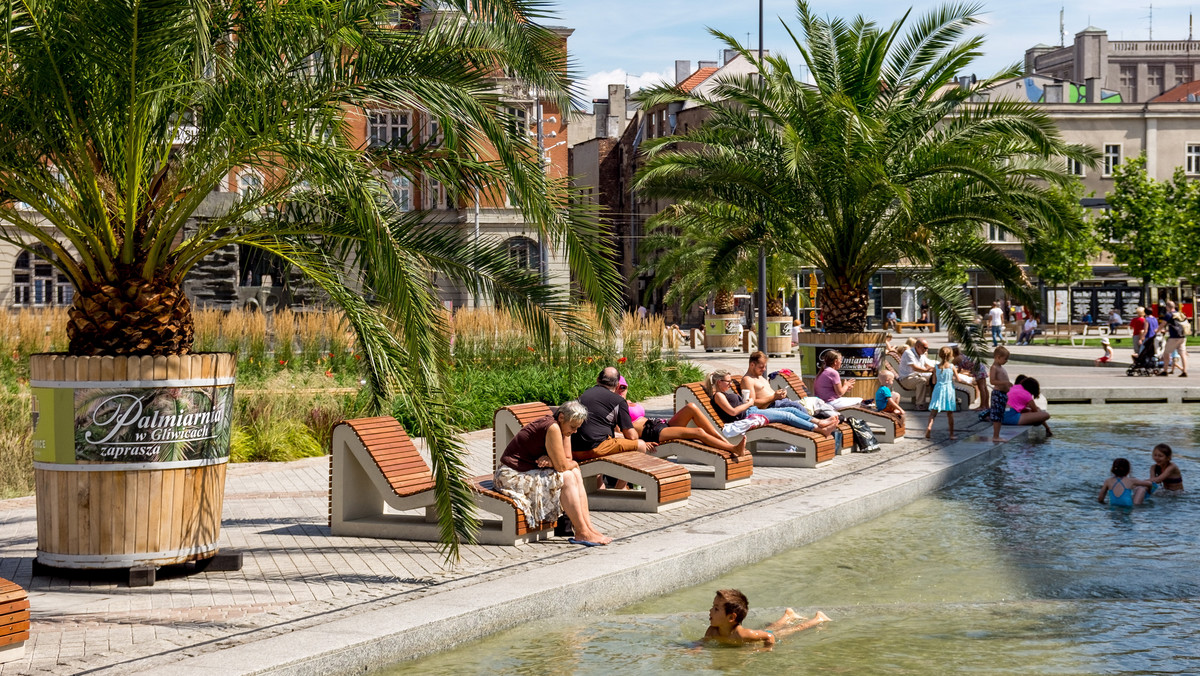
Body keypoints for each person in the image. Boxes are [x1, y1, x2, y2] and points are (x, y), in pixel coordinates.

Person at [495, 400, 612, 545]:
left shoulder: (563, 428)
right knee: (568, 475)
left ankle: (588, 528)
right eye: (573, 427)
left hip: (528, 470)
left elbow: (566, 459)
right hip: (510, 475)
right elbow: (563, 466)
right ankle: (582, 532)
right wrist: (563, 462)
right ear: (562, 417)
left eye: (577, 428)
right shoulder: (553, 427)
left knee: (574, 472)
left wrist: (553, 461)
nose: (574, 431)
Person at [619, 377, 748, 456]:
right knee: (698, 432)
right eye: (619, 388)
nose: (622, 390)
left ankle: (724, 442)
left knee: (691, 407)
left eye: (624, 387)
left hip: (659, 424)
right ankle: (732, 448)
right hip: (651, 433)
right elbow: (618, 434)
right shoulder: (614, 407)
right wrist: (641, 443)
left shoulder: (627, 402)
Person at [742, 352, 840, 435]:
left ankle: (819, 423)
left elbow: (767, 393)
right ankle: (814, 430)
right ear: (752, 365)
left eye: (765, 367)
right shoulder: (748, 380)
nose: (764, 369)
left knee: (799, 407)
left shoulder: (760, 377)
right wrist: (773, 397)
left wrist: (779, 395)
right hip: (770, 407)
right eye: (761, 367)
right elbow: (752, 403)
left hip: (778, 402)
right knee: (796, 407)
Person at [703, 589, 830, 647]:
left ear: (731, 617)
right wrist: (695, 649)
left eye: (716, 608)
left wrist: (766, 649)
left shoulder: (743, 634)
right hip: (762, 634)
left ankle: (818, 619)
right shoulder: (712, 631)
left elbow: (770, 637)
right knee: (772, 628)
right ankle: (788, 615)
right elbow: (703, 642)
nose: (710, 611)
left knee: (792, 629)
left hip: (764, 636)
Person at [572, 367, 648, 460]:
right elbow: (632, 436)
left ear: (597, 380)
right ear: (617, 384)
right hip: (594, 449)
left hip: (574, 450)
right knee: (640, 445)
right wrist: (639, 437)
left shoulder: (584, 395)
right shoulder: (618, 401)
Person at [704, 370, 770, 437]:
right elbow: (733, 412)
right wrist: (749, 403)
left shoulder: (723, 394)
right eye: (728, 382)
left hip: (752, 411)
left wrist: (745, 402)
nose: (731, 384)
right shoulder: (718, 395)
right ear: (719, 382)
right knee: (781, 415)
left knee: (781, 411)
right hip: (749, 414)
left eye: (731, 381)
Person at [925, 346, 958, 440]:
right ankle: (951, 434)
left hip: (938, 389)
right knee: (950, 413)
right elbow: (958, 378)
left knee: (933, 413)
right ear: (951, 356)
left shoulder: (936, 367)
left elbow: (934, 382)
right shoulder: (952, 367)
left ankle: (929, 427)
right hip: (949, 390)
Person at [897, 338, 935, 409]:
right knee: (922, 380)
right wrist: (928, 370)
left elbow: (927, 365)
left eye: (927, 348)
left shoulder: (922, 354)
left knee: (934, 378)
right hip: (906, 378)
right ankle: (920, 404)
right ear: (918, 346)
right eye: (925, 348)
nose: (926, 350)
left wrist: (936, 369)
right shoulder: (908, 353)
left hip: (917, 376)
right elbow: (915, 368)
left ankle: (934, 402)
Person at [985, 346, 1012, 442]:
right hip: (997, 393)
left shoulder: (1000, 367)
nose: (1006, 361)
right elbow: (992, 381)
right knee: (996, 416)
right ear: (998, 357)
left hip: (1003, 394)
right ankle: (995, 436)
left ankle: (997, 435)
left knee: (1000, 415)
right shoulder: (994, 367)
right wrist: (1005, 383)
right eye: (1005, 359)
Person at [950, 345, 988, 411]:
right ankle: (986, 405)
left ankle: (982, 406)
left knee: (981, 388)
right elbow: (959, 369)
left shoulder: (956, 359)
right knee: (984, 387)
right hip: (980, 367)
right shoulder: (961, 356)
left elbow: (949, 366)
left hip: (977, 370)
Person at [1159, 300, 1189, 378]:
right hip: (1182, 337)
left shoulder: (1169, 315)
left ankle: (1165, 371)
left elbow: (1163, 324)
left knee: (1166, 353)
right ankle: (1184, 371)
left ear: (1167, 307)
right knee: (1182, 354)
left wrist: (1157, 330)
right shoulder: (1180, 314)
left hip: (1173, 338)